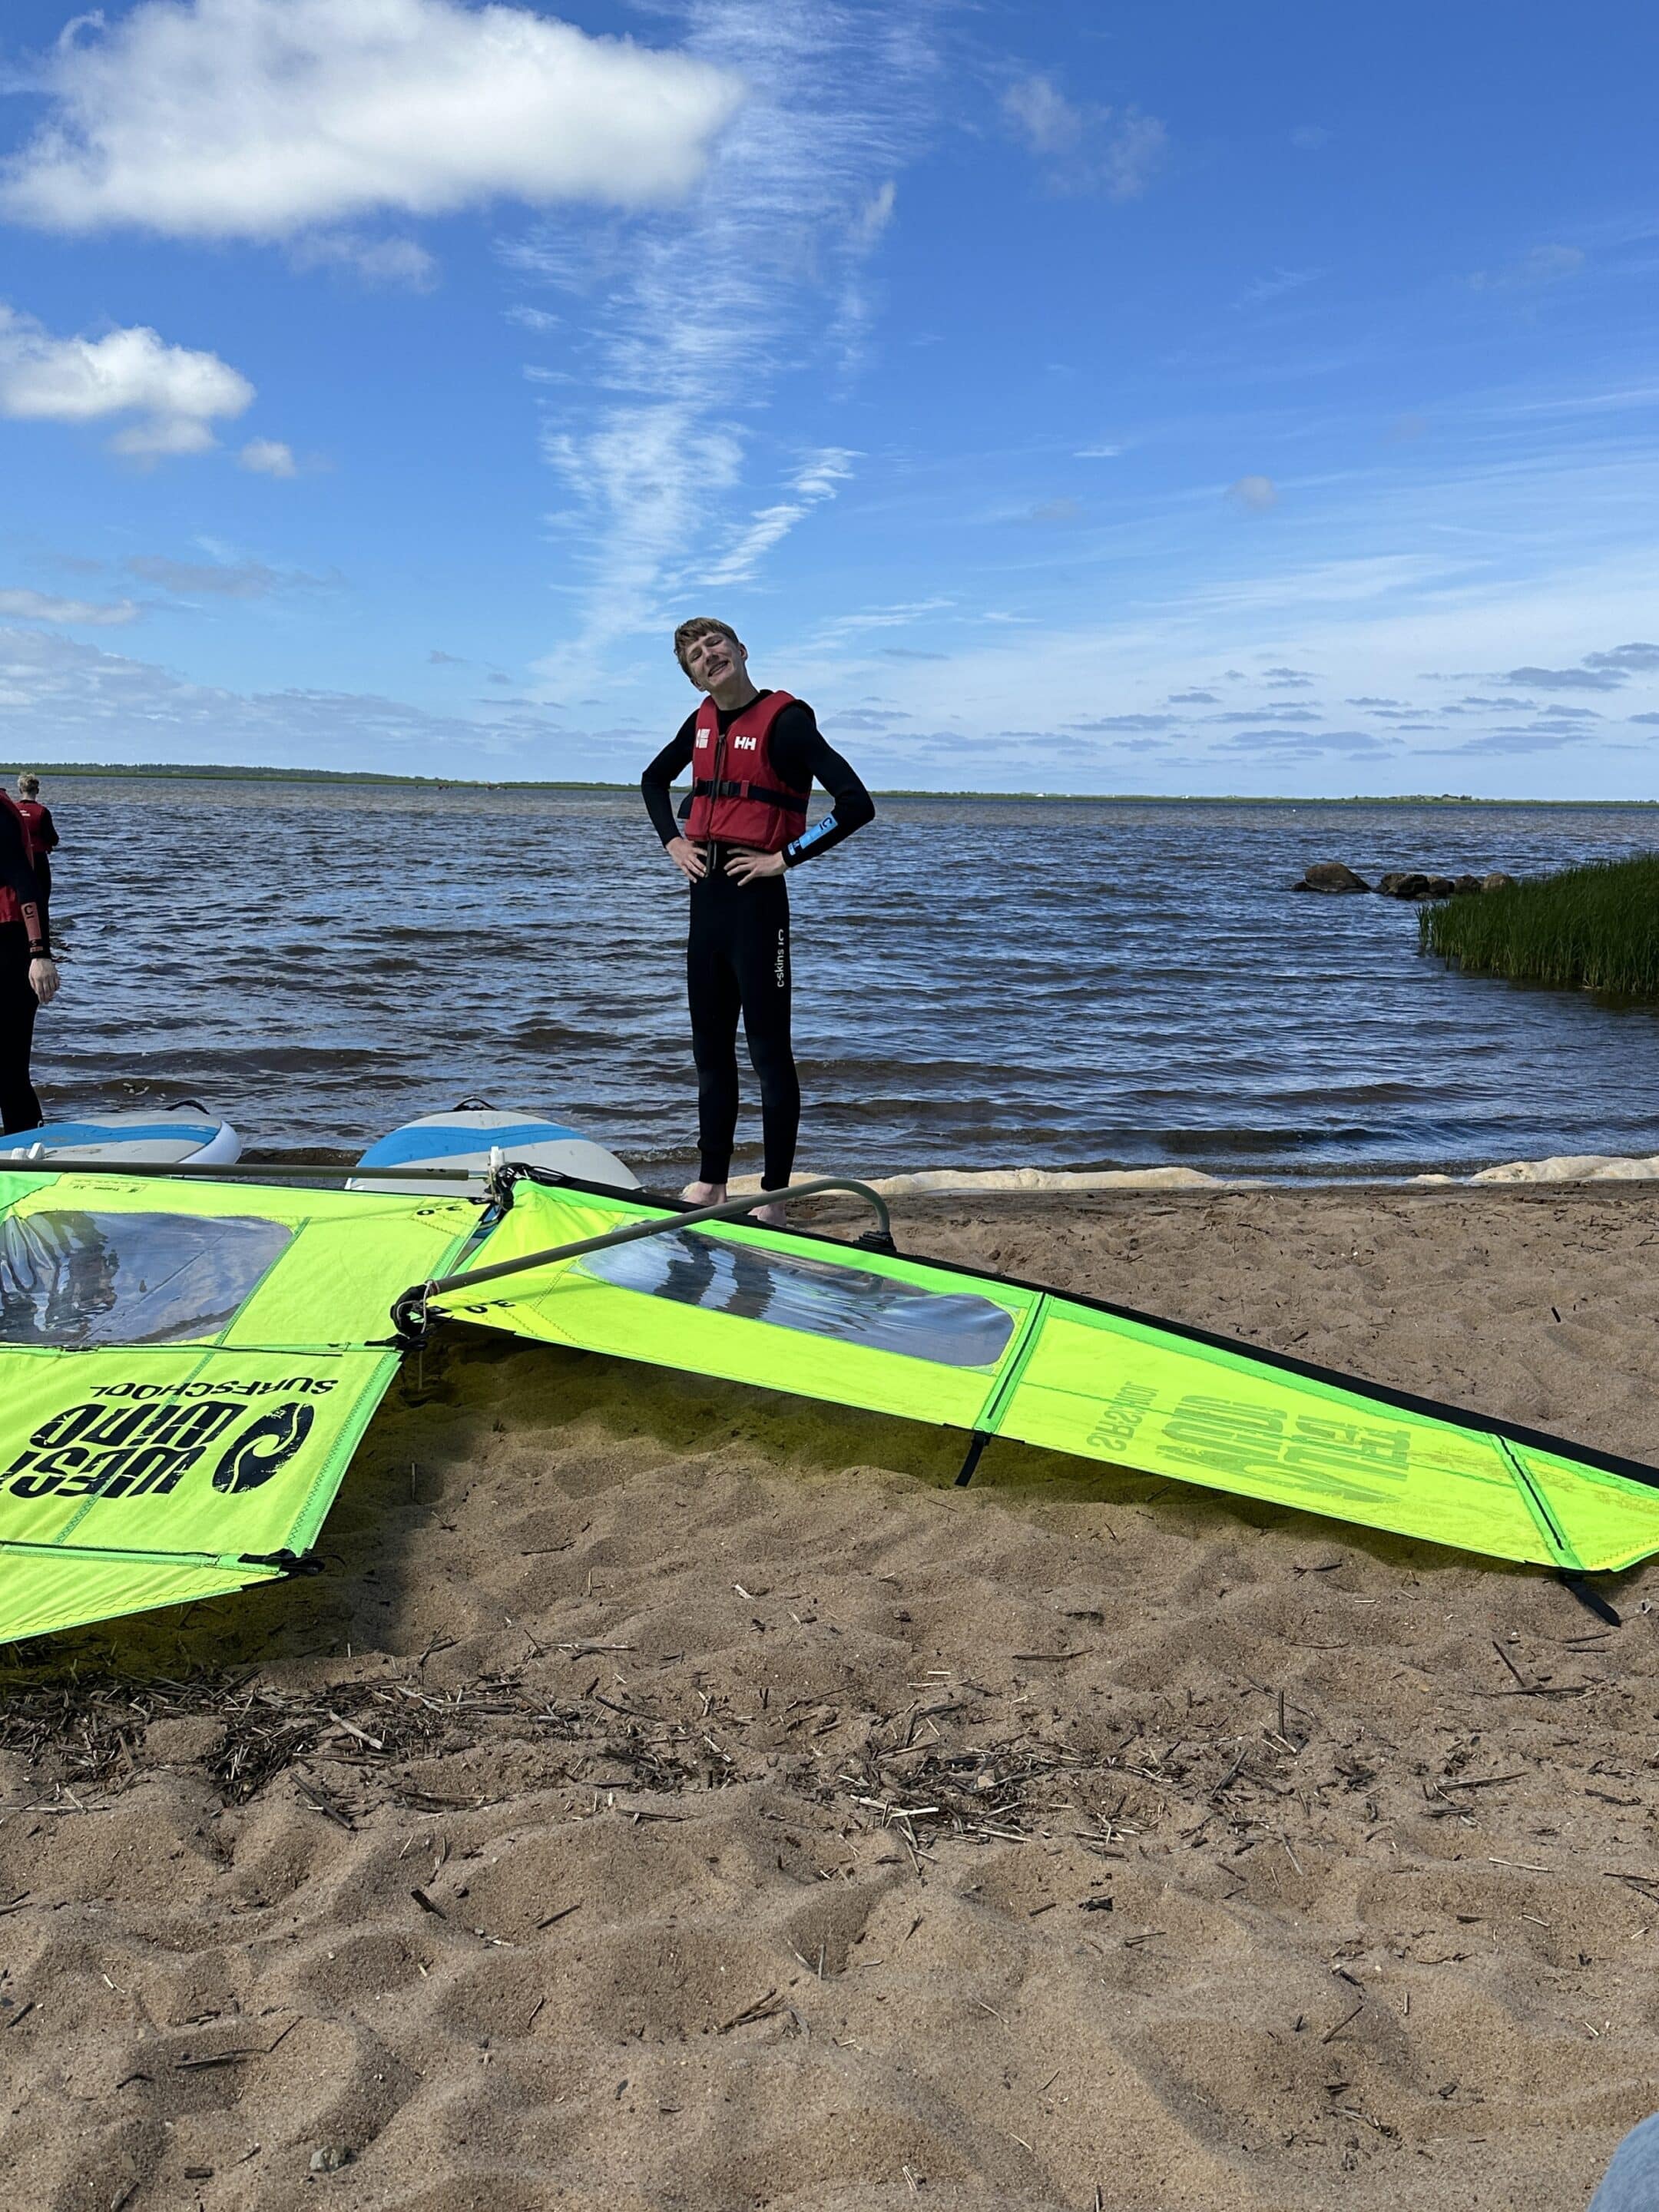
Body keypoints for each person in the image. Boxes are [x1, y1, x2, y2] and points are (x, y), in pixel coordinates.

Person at [641, 618, 873, 1227]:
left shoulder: (787, 721)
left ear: (741, 651)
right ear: (692, 675)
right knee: (710, 1051)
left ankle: (771, 1194)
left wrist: (785, 857)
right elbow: (652, 780)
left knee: (770, 1053)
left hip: (756, 903)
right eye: (694, 655)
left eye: (714, 644)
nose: (706, 655)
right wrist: (672, 842)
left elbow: (856, 804)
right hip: (705, 898)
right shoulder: (700, 723)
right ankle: (711, 1182)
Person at [0, 786, 58, 1134]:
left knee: (8, 1068)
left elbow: (26, 882)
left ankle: (29, 1149)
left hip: (11, 948)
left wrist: (40, 955)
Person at [13, 773, 58, 913]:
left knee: (17, 897)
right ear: (37, 790)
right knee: (42, 899)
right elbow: (53, 839)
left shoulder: (13, 809)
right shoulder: (42, 812)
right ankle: (43, 930)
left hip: (17, 859)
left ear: (21, 790)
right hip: (38, 859)